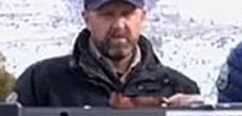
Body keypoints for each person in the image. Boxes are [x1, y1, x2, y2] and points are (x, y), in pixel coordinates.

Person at [11, 0, 199, 108]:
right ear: (86, 19)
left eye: (127, 14)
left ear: (142, 18)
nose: (118, 25)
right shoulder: (40, 82)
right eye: (107, 14)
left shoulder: (179, 88)